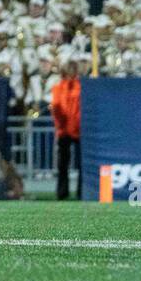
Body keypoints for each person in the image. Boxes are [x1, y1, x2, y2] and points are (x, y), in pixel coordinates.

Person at [50, 58, 82, 200]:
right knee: (64, 165)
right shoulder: (60, 87)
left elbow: (57, 108)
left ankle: (76, 192)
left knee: (78, 164)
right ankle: (64, 192)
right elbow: (56, 108)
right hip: (67, 130)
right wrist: (61, 125)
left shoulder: (79, 87)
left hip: (75, 129)